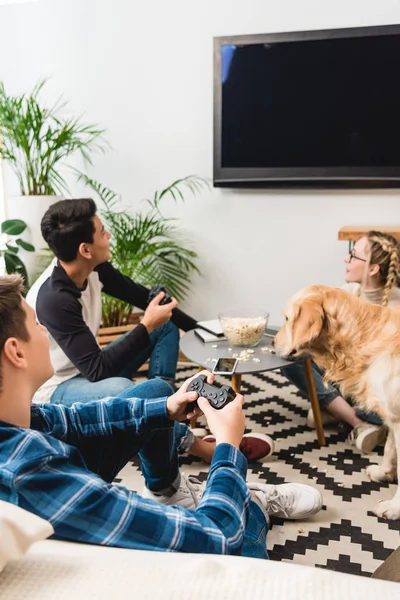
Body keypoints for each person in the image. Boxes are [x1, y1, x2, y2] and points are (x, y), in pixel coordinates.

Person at [0, 274, 322, 559]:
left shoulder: (16, 421)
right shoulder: (31, 474)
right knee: (242, 544)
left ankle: (174, 494)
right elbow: (217, 538)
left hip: (67, 488)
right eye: (36, 323)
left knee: (154, 391)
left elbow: (76, 419)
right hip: (119, 553)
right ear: (15, 352)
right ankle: (250, 501)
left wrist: (167, 407)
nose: (45, 328)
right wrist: (228, 447)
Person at [26, 198, 273, 464]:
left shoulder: (94, 269)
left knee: (164, 326)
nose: (108, 235)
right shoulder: (54, 298)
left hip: (85, 368)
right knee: (123, 388)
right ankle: (195, 445)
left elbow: (146, 299)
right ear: (85, 249)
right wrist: (146, 325)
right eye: (102, 232)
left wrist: (206, 331)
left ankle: (172, 412)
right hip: (55, 386)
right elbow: (97, 371)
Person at [282, 230, 400, 454]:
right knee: (292, 357)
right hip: (346, 377)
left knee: (379, 406)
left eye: (354, 256)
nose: (347, 259)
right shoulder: (345, 295)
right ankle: (354, 418)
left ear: (373, 268)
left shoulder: (396, 307)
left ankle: (339, 411)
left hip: (380, 388)